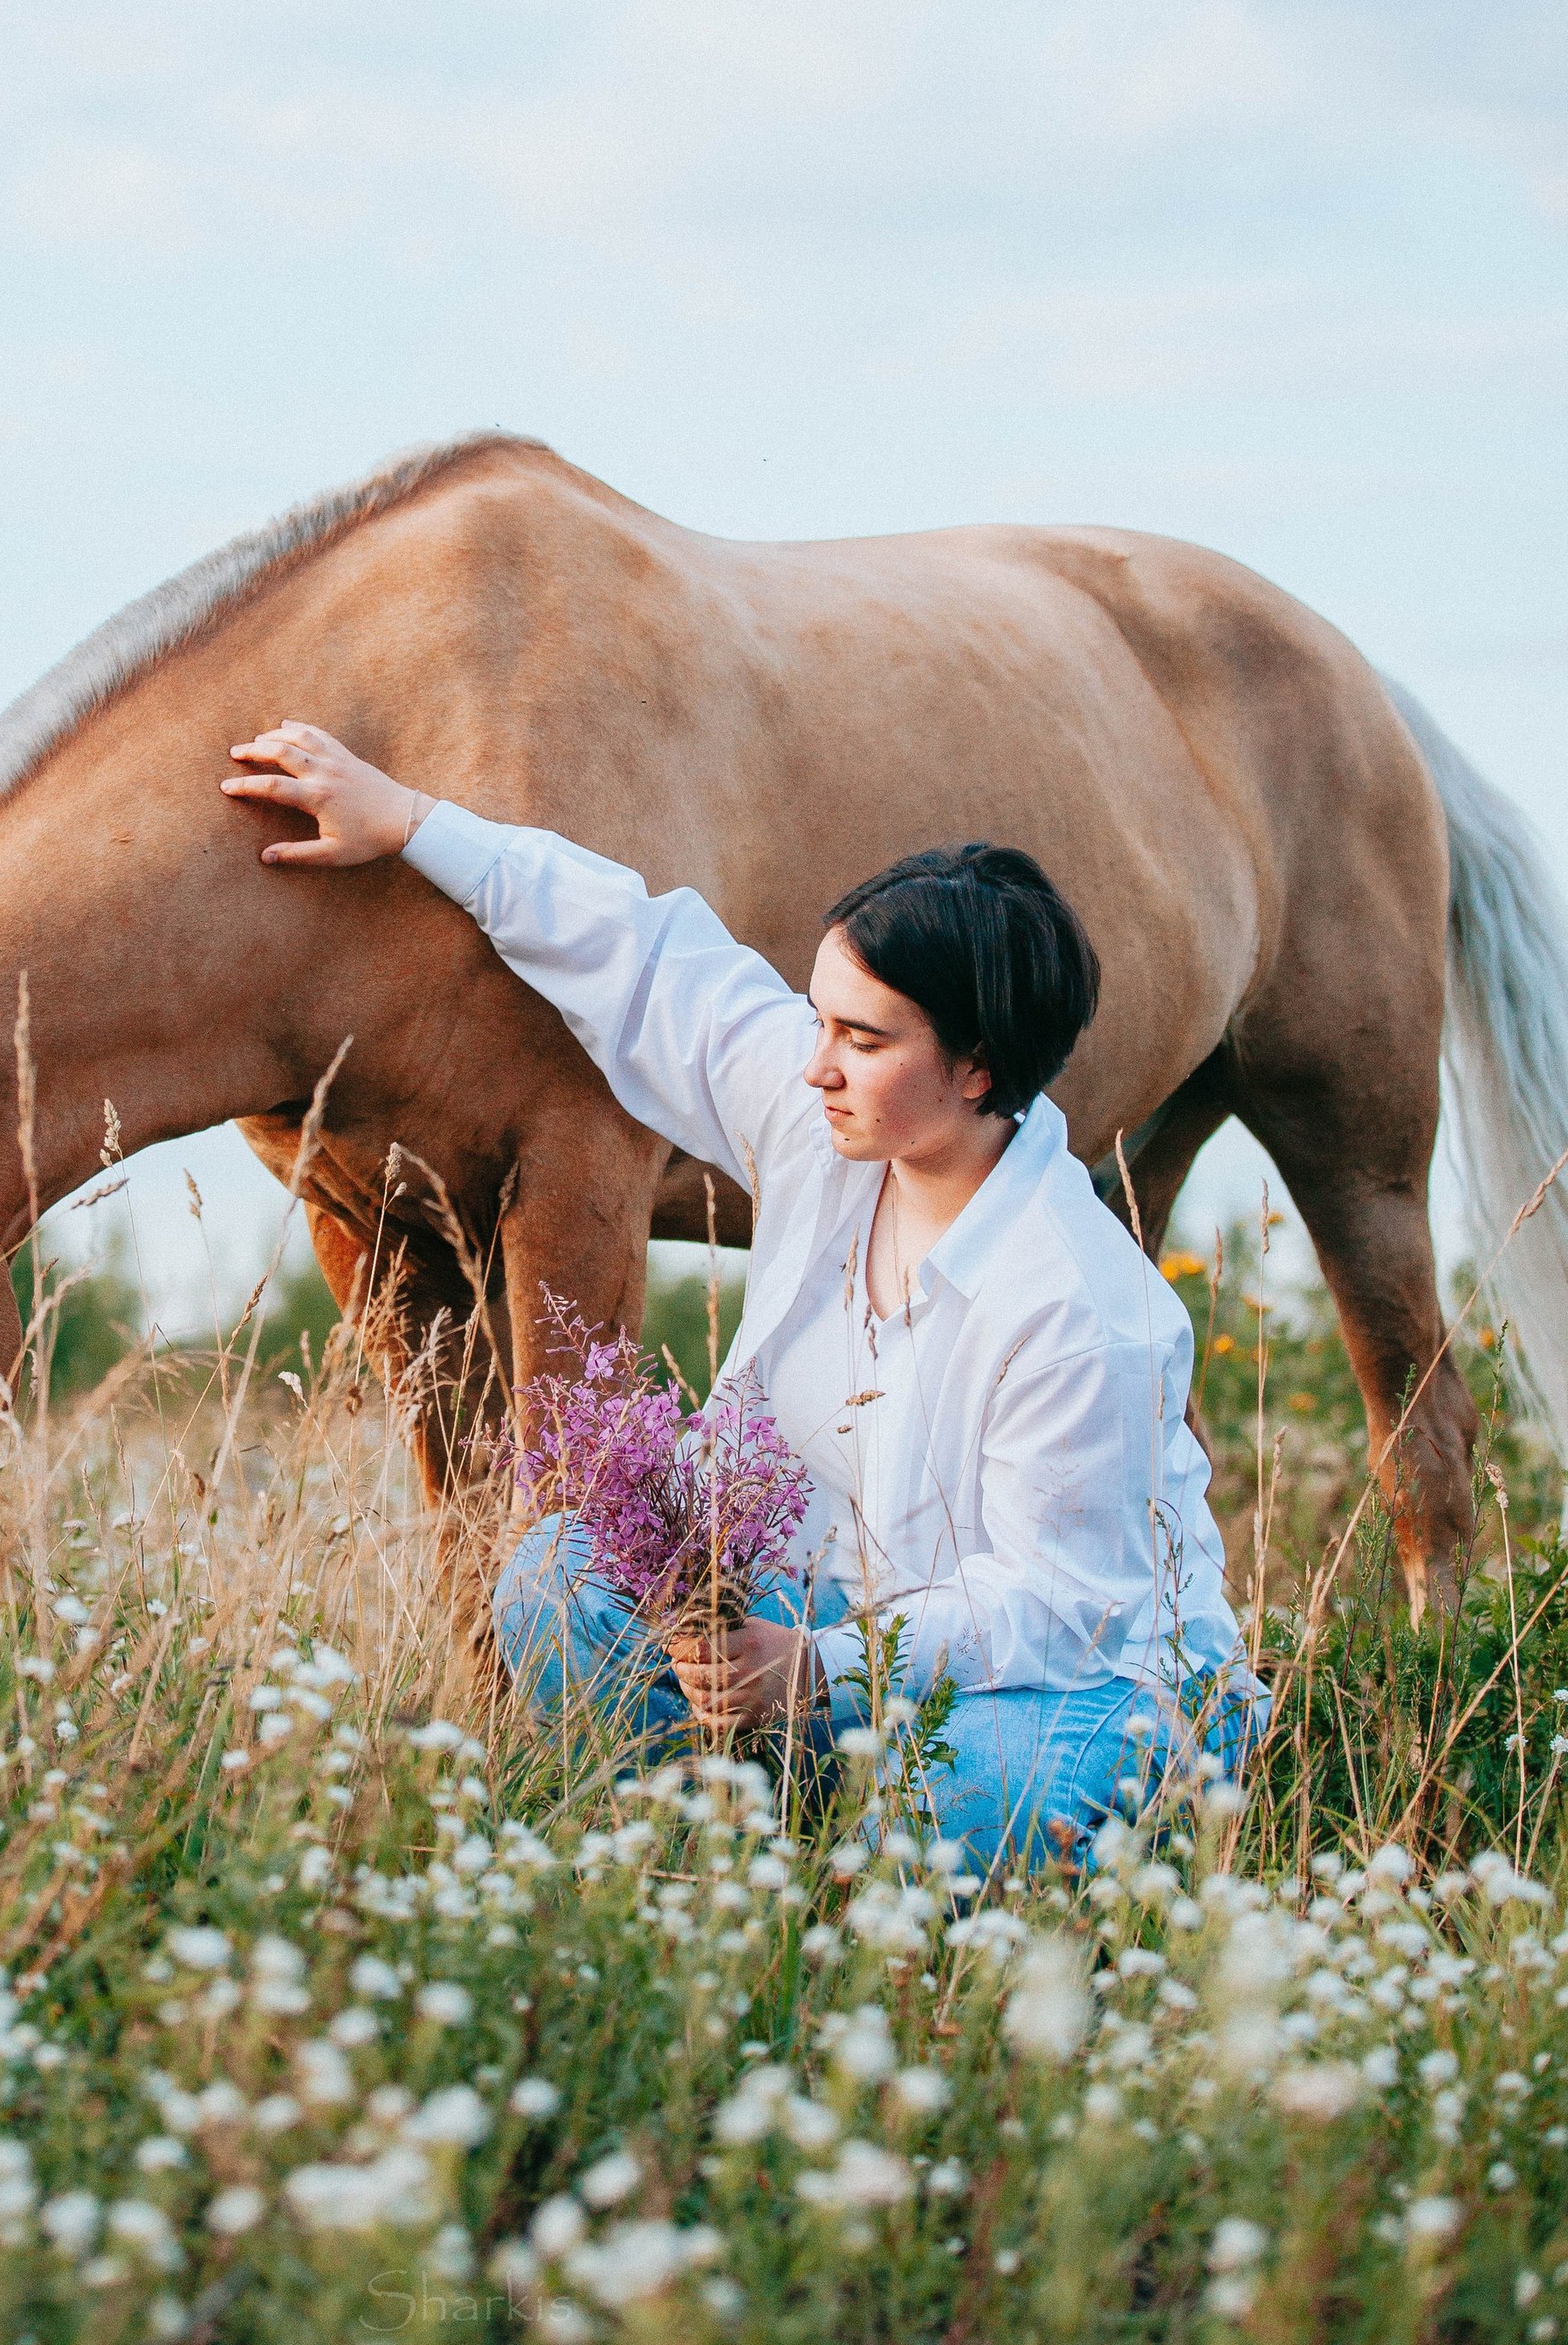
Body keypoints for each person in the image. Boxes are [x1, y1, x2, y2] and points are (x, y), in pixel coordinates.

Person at [220, 721, 1262, 1873]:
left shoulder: (1079, 1305)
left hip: (1076, 1686)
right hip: (819, 1629)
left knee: (961, 1802)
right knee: (563, 1574)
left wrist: (819, 1665)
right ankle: (690, 1866)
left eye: (860, 1038)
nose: (815, 1063)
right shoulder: (833, 1131)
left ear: (979, 1067)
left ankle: (882, 1849)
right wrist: (410, 821)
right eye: (820, 1019)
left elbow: (1064, 1608)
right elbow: (646, 958)